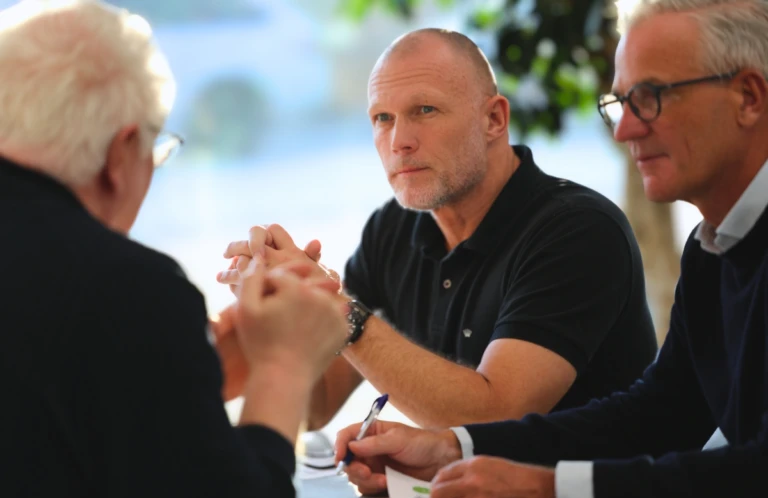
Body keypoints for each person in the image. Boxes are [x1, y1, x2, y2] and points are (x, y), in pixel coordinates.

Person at [333, 0, 768, 498]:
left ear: (748, 97)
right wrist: (453, 449)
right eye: (620, 103)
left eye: (651, 97)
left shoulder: (581, 227)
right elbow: (663, 413)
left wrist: (551, 491)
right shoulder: (711, 248)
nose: (624, 130)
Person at [217, 28, 657, 429]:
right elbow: (316, 407)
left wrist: (336, 309)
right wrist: (281, 305)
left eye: (424, 110)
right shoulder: (391, 228)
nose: (398, 141)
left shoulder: (579, 231)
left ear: (494, 120)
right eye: (382, 118)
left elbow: (495, 417)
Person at [0, 1, 347, 498]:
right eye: (156, 151)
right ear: (120, 155)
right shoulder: (125, 289)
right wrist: (282, 366)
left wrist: (177, 377)